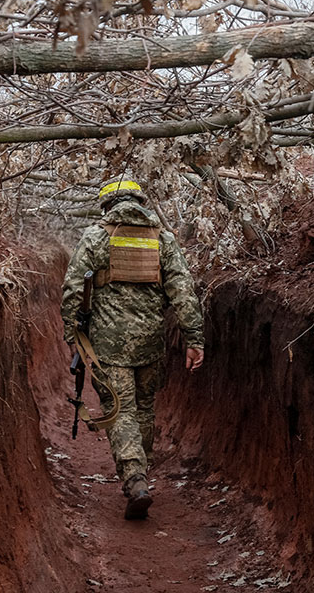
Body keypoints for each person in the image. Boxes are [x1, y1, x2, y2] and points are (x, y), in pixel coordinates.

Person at [61, 177, 205, 520]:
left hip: (108, 347)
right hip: (151, 345)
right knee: (143, 408)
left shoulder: (97, 236)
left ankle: (135, 478)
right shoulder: (163, 240)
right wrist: (194, 339)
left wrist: (73, 337)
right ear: (140, 203)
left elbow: (70, 290)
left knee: (120, 409)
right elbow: (183, 293)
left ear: (107, 206)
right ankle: (142, 473)